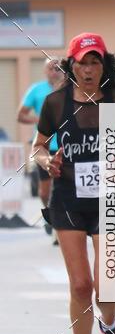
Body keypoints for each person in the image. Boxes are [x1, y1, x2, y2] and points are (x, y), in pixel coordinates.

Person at [32, 32, 115, 334]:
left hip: (112, 196)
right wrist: (47, 161)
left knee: (109, 283)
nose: (88, 69)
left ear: (104, 65)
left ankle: (109, 326)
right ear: (71, 66)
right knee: (81, 285)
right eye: (82, 63)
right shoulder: (56, 103)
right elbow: (37, 146)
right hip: (68, 196)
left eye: (95, 62)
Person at [18, 59, 63, 232]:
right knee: (45, 192)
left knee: (65, 187)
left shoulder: (70, 90)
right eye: (51, 68)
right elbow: (21, 115)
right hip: (44, 145)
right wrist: (41, 119)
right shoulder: (36, 90)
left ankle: (64, 221)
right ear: (45, 71)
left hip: (66, 145)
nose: (54, 72)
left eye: (58, 68)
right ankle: (48, 214)